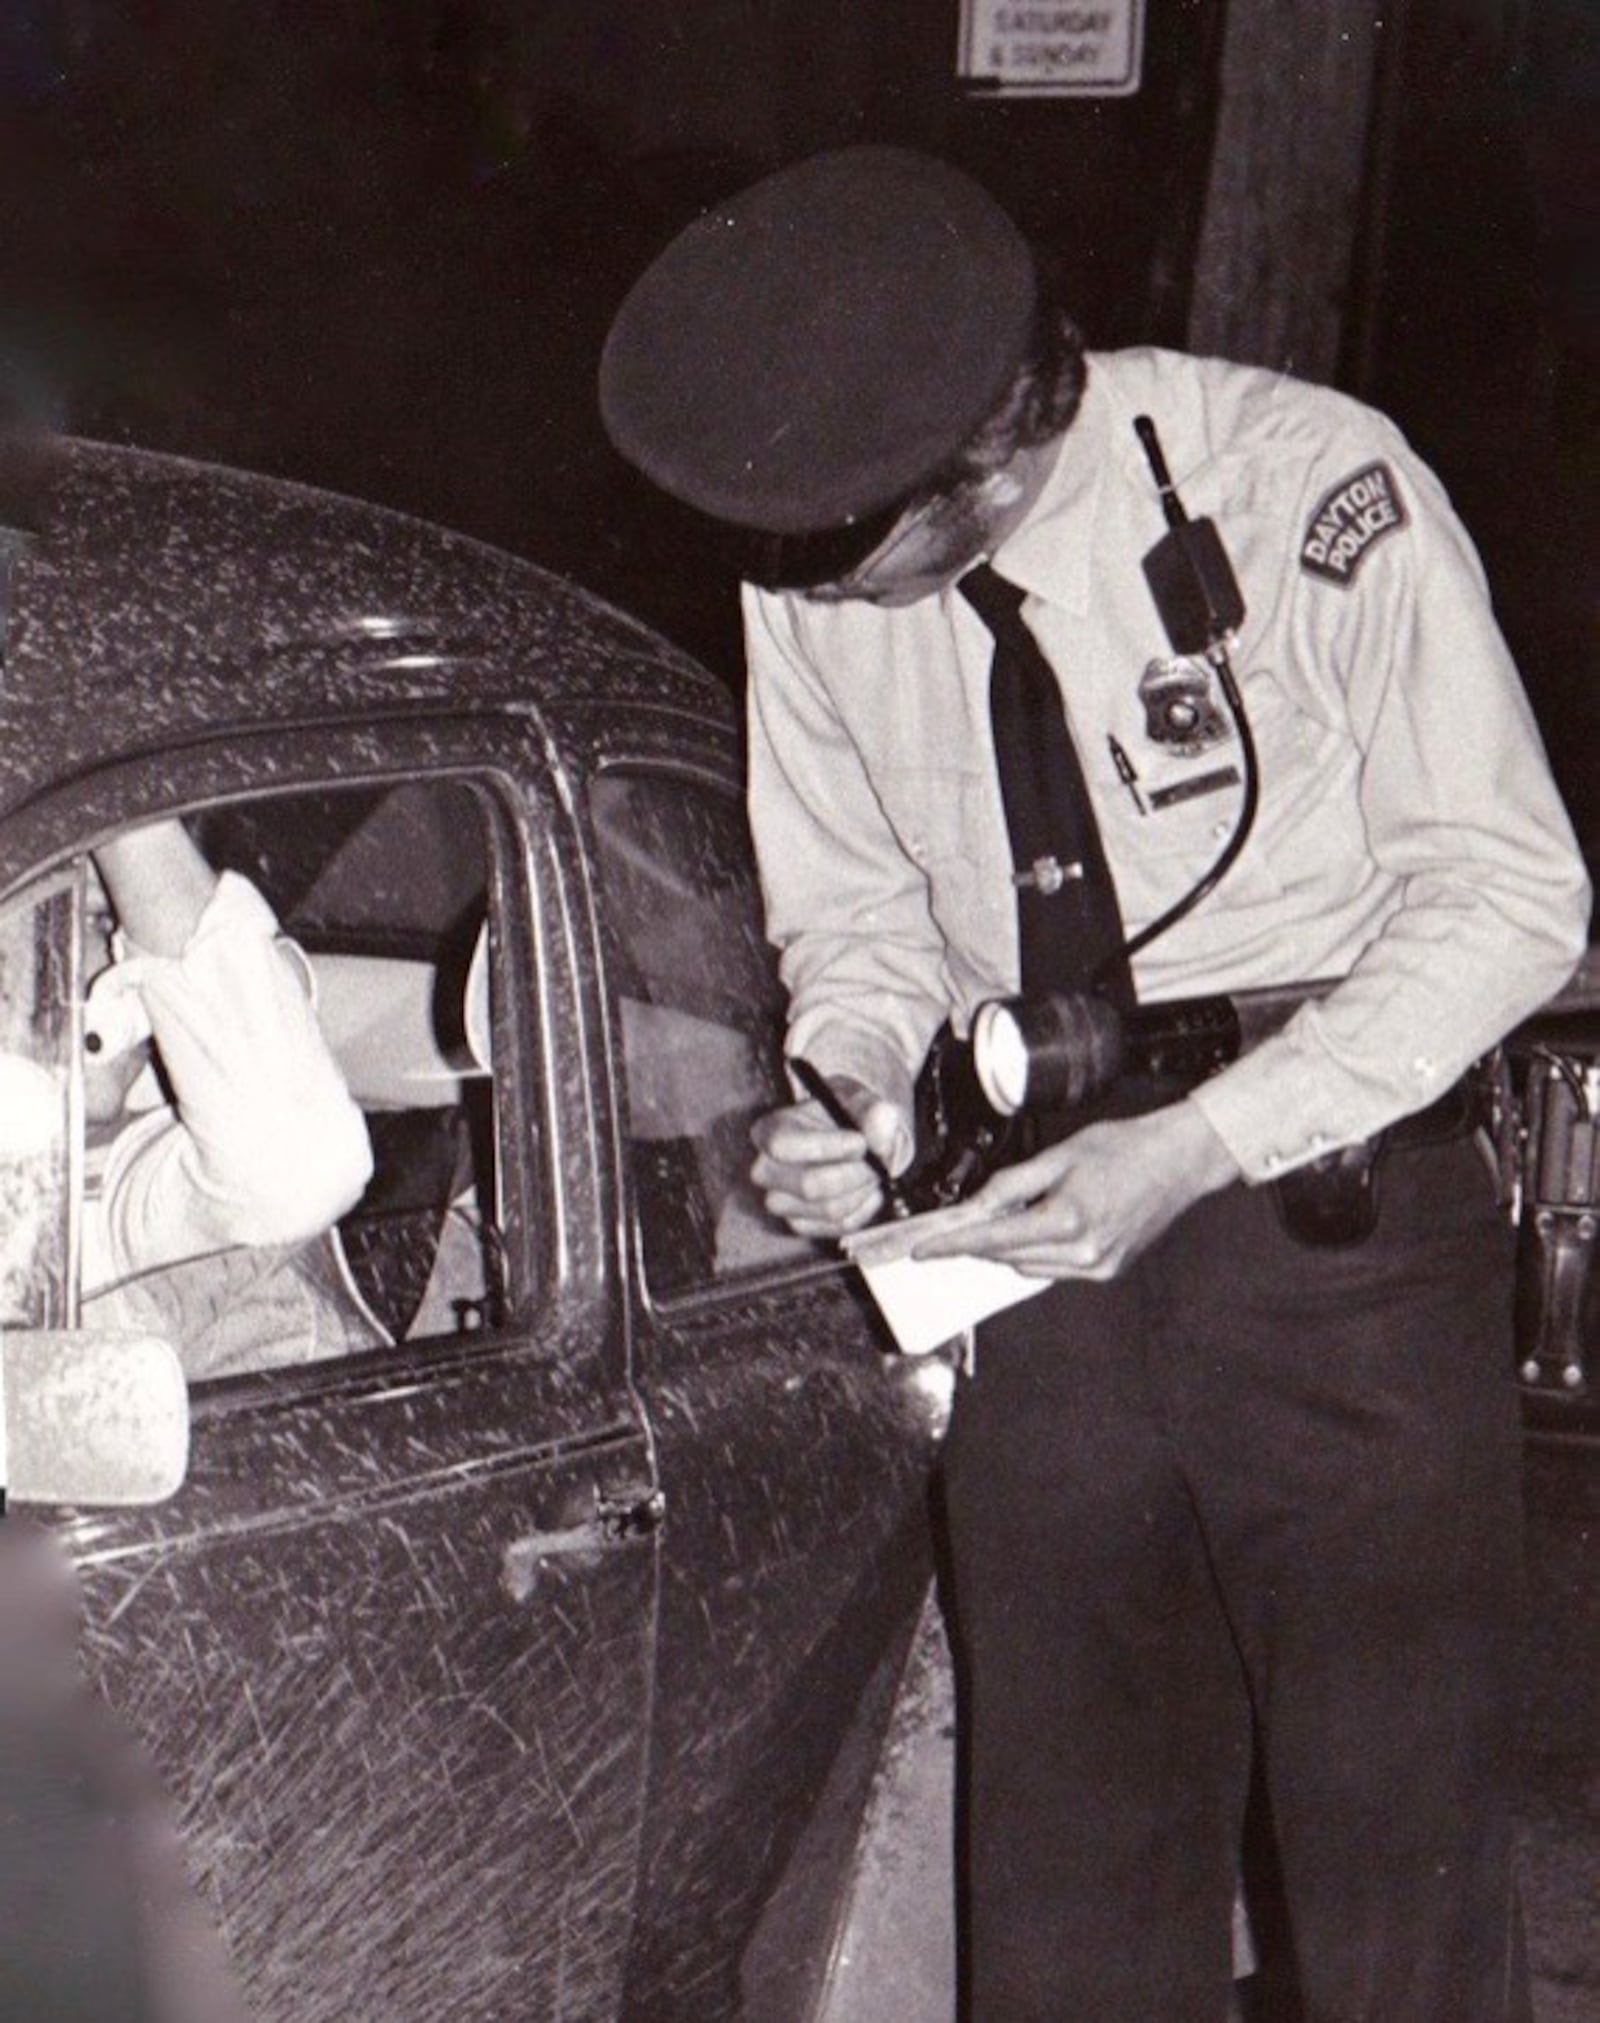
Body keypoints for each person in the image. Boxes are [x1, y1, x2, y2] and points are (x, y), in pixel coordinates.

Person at [598, 147, 1592, 2020]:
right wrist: (864, 1088)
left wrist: (1200, 1142)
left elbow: (1515, 896)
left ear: (990, 455)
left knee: (1397, 1891)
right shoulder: (813, 560)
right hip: (1034, 1244)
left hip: (1334, 1221)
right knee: (1064, 1884)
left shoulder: (1313, 489)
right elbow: (866, 915)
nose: (821, 599)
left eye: (856, 551)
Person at [82, 818, 377, 1376]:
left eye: (141, 937)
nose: (127, 978)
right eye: (98, 923)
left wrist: (115, 798)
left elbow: (298, 1169)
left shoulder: (130, 1187)